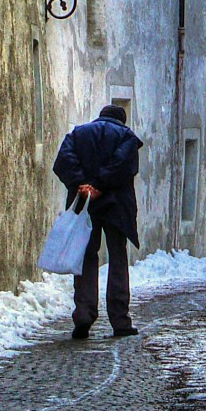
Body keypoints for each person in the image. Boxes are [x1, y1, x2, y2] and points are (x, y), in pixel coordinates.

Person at [53, 105, 142, 339]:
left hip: (85, 204)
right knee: (117, 259)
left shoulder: (78, 134)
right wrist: (99, 185)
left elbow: (63, 160)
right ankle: (120, 320)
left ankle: (83, 313)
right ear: (121, 120)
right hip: (115, 206)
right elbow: (123, 164)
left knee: (86, 257)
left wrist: (83, 184)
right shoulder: (126, 137)